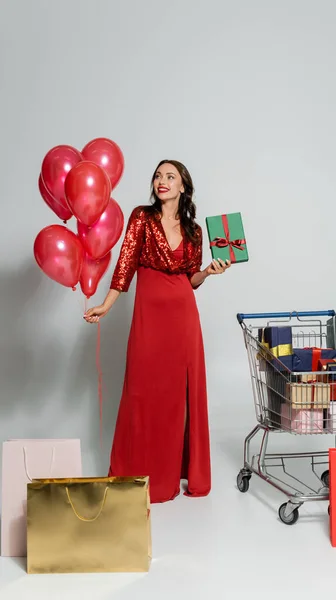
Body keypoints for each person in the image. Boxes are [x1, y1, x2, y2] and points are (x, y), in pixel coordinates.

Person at [84, 160, 230, 503]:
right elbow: (125, 264)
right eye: (158, 176)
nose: (161, 181)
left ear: (183, 187)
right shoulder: (141, 217)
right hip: (150, 315)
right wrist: (107, 304)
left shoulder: (194, 230)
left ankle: (170, 475)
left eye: (170, 177)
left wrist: (208, 271)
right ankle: (137, 474)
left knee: (177, 397)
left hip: (183, 318)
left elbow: (190, 279)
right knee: (142, 391)